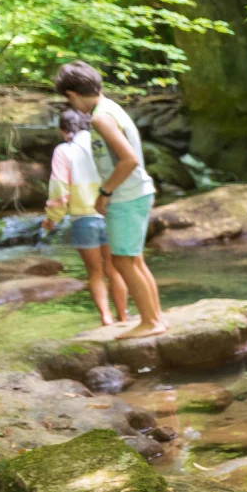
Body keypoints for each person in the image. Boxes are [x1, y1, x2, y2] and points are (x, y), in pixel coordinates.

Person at [51, 61, 166, 339]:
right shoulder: (111, 108)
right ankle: (155, 316)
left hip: (127, 195)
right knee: (133, 259)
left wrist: (105, 193)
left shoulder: (101, 118)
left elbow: (129, 160)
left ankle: (151, 322)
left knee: (123, 261)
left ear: (72, 94)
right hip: (136, 193)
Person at [43, 108, 129, 325]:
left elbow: (59, 188)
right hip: (111, 215)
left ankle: (106, 318)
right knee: (115, 269)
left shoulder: (64, 150)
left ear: (64, 131)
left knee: (95, 272)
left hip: (83, 219)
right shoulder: (102, 146)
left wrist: (52, 218)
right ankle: (123, 316)